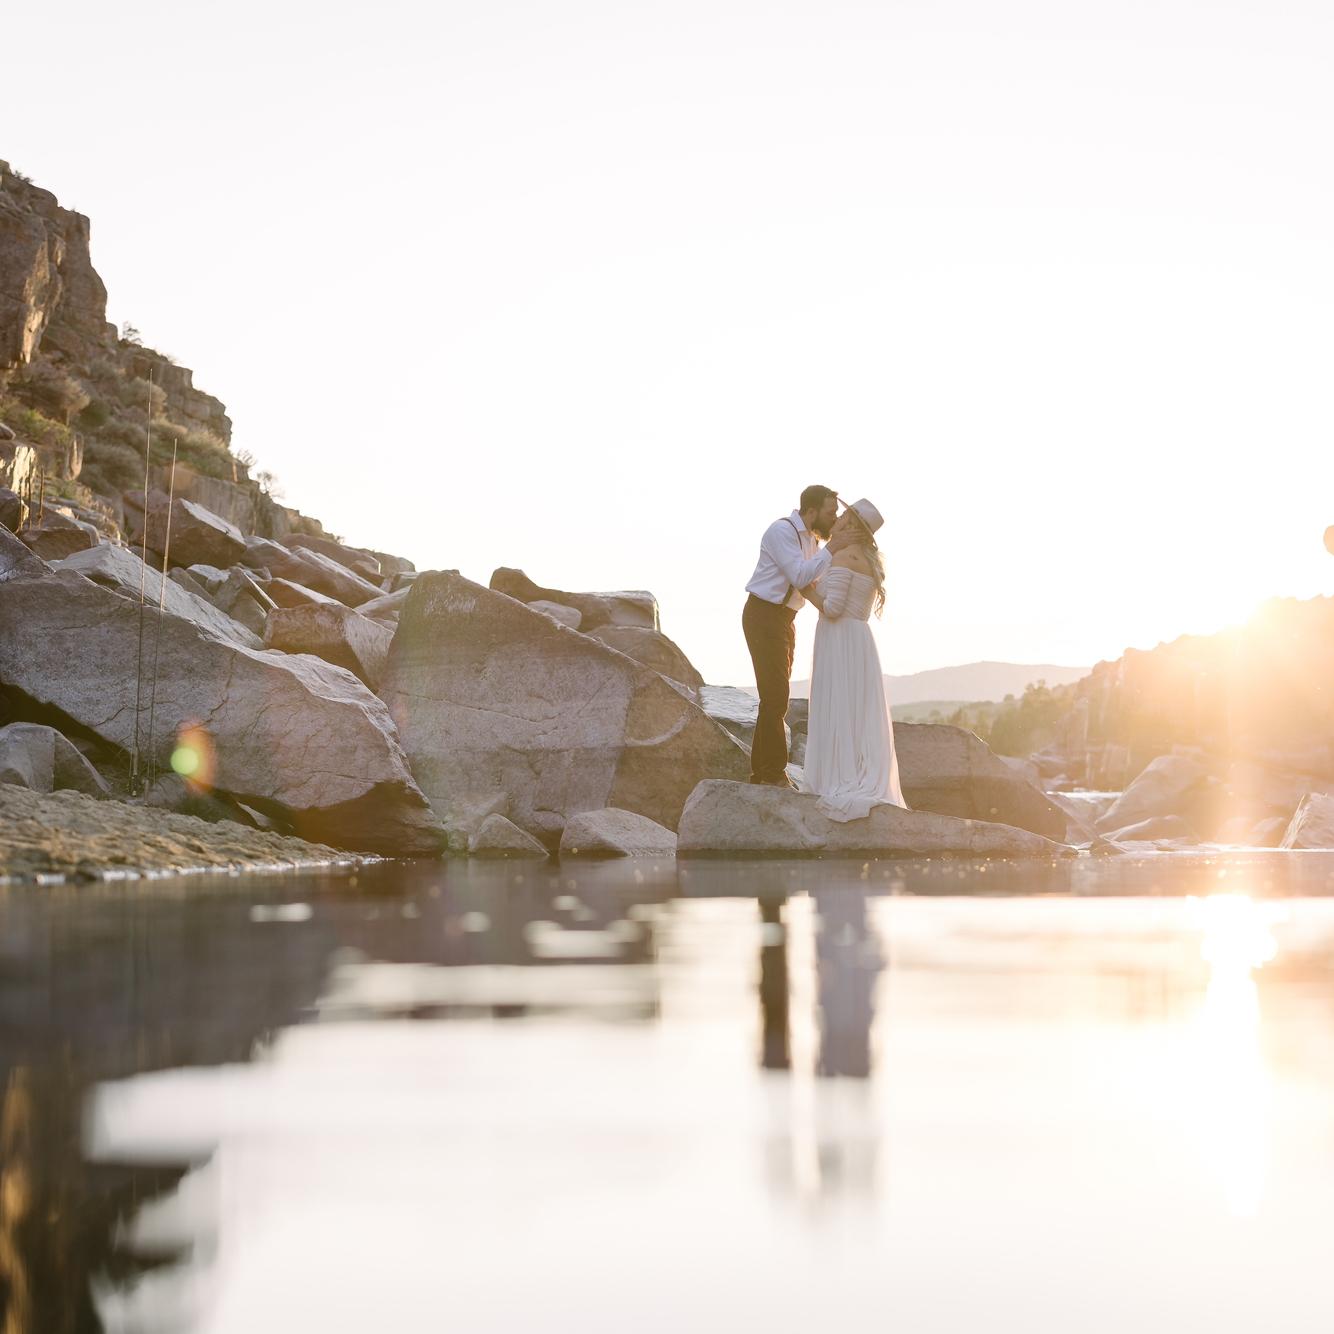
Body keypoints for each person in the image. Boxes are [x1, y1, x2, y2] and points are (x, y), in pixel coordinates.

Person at [802, 498, 906, 820]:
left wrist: (805, 590)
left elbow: (833, 608)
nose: (838, 517)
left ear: (850, 523)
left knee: (839, 706)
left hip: (839, 638)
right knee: (856, 711)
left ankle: (838, 775)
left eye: (844, 514)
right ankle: (857, 770)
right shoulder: (868, 561)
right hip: (859, 640)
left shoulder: (844, 556)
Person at [742, 485, 848, 787]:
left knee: (773, 698)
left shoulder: (812, 541)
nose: (834, 518)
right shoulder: (782, 531)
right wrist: (832, 549)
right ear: (812, 510)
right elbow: (800, 576)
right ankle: (774, 773)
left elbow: (811, 583)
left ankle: (762, 774)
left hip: (785, 620)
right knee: (776, 696)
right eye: (831, 512)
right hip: (763, 615)